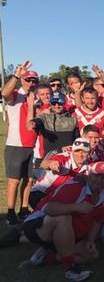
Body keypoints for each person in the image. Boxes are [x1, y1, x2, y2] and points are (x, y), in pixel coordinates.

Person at [21, 161, 104, 281]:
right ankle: (70, 269)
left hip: (63, 231)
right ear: (89, 175)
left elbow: (97, 220)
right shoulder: (75, 186)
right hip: (37, 225)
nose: (99, 180)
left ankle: (46, 257)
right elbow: (49, 209)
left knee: (92, 255)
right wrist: (77, 207)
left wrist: (90, 240)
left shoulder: (103, 197)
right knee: (63, 217)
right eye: (96, 176)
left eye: (103, 178)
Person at [1, 61, 39, 224]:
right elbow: (4, 93)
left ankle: (23, 209)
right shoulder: (16, 94)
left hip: (34, 145)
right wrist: (16, 75)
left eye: (34, 81)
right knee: (14, 180)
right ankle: (10, 212)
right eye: (28, 79)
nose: (31, 83)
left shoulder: (38, 97)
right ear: (22, 80)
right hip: (16, 144)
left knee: (30, 179)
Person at [29, 138, 92, 208]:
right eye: (77, 151)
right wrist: (51, 164)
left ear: (89, 153)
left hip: (62, 197)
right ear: (72, 151)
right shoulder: (64, 158)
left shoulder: (90, 166)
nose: (80, 155)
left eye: (84, 152)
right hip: (41, 194)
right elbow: (44, 163)